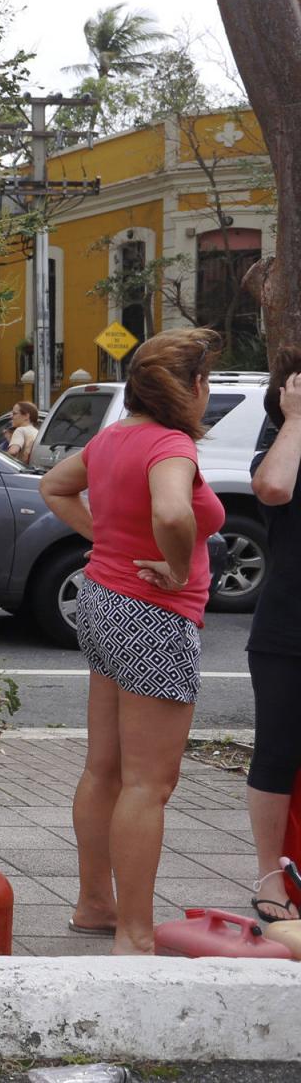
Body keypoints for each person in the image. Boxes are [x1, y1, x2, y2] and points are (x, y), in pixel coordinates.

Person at [39, 327, 225, 955]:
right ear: (192, 387)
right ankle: (136, 936)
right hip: (153, 614)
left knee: (105, 768)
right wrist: (174, 566)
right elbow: (173, 514)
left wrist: (107, 539)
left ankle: (96, 905)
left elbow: (53, 487)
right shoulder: (172, 446)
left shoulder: (112, 437)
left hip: (100, 601)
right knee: (149, 783)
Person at [244, 358, 301, 928]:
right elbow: (274, 488)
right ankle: (269, 873)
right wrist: (296, 418)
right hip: (288, 628)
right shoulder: (283, 450)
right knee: (278, 752)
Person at [5, 400, 42, 465]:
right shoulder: (37, 432)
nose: (11, 417)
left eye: (14, 413)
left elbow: (13, 452)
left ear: (26, 416)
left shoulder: (20, 430)